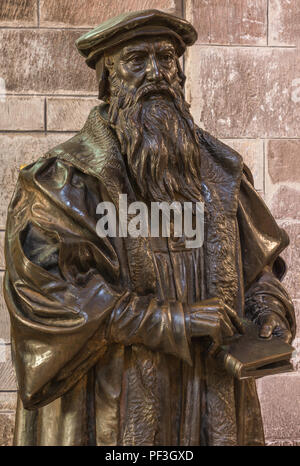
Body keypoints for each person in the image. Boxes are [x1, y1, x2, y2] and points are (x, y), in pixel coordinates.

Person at [4, 9, 295, 446]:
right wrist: (177, 320)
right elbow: (53, 300)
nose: (156, 73)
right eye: (136, 60)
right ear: (107, 79)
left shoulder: (221, 172)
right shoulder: (62, 183)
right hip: (110, 405)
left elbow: (259, 274)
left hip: (208, 397)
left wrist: (267, 311)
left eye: (166, 58)